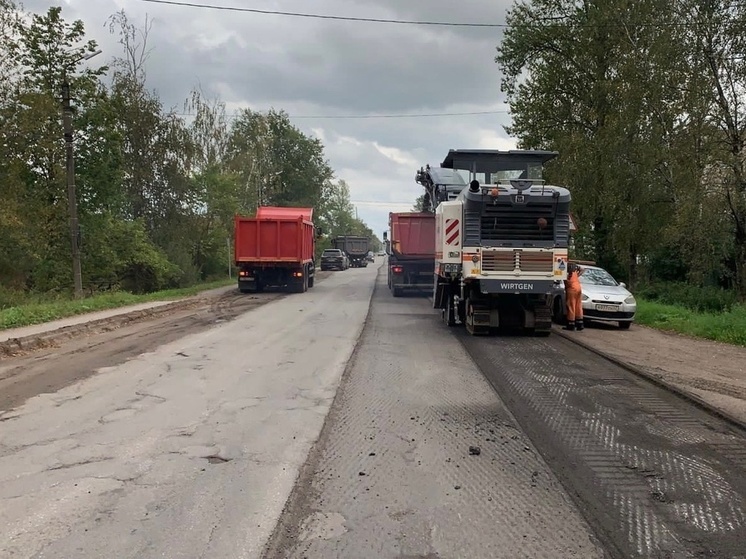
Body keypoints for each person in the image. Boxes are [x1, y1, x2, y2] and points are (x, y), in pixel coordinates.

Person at [564, 262, 584, 331]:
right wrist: (578, 269)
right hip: (578, 288)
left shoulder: (566, 274)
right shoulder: (574, 273)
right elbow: (582, 270)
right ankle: (580, 324)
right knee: (578, 306)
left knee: (571, 306)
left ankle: (570, 324)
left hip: (571, 289)